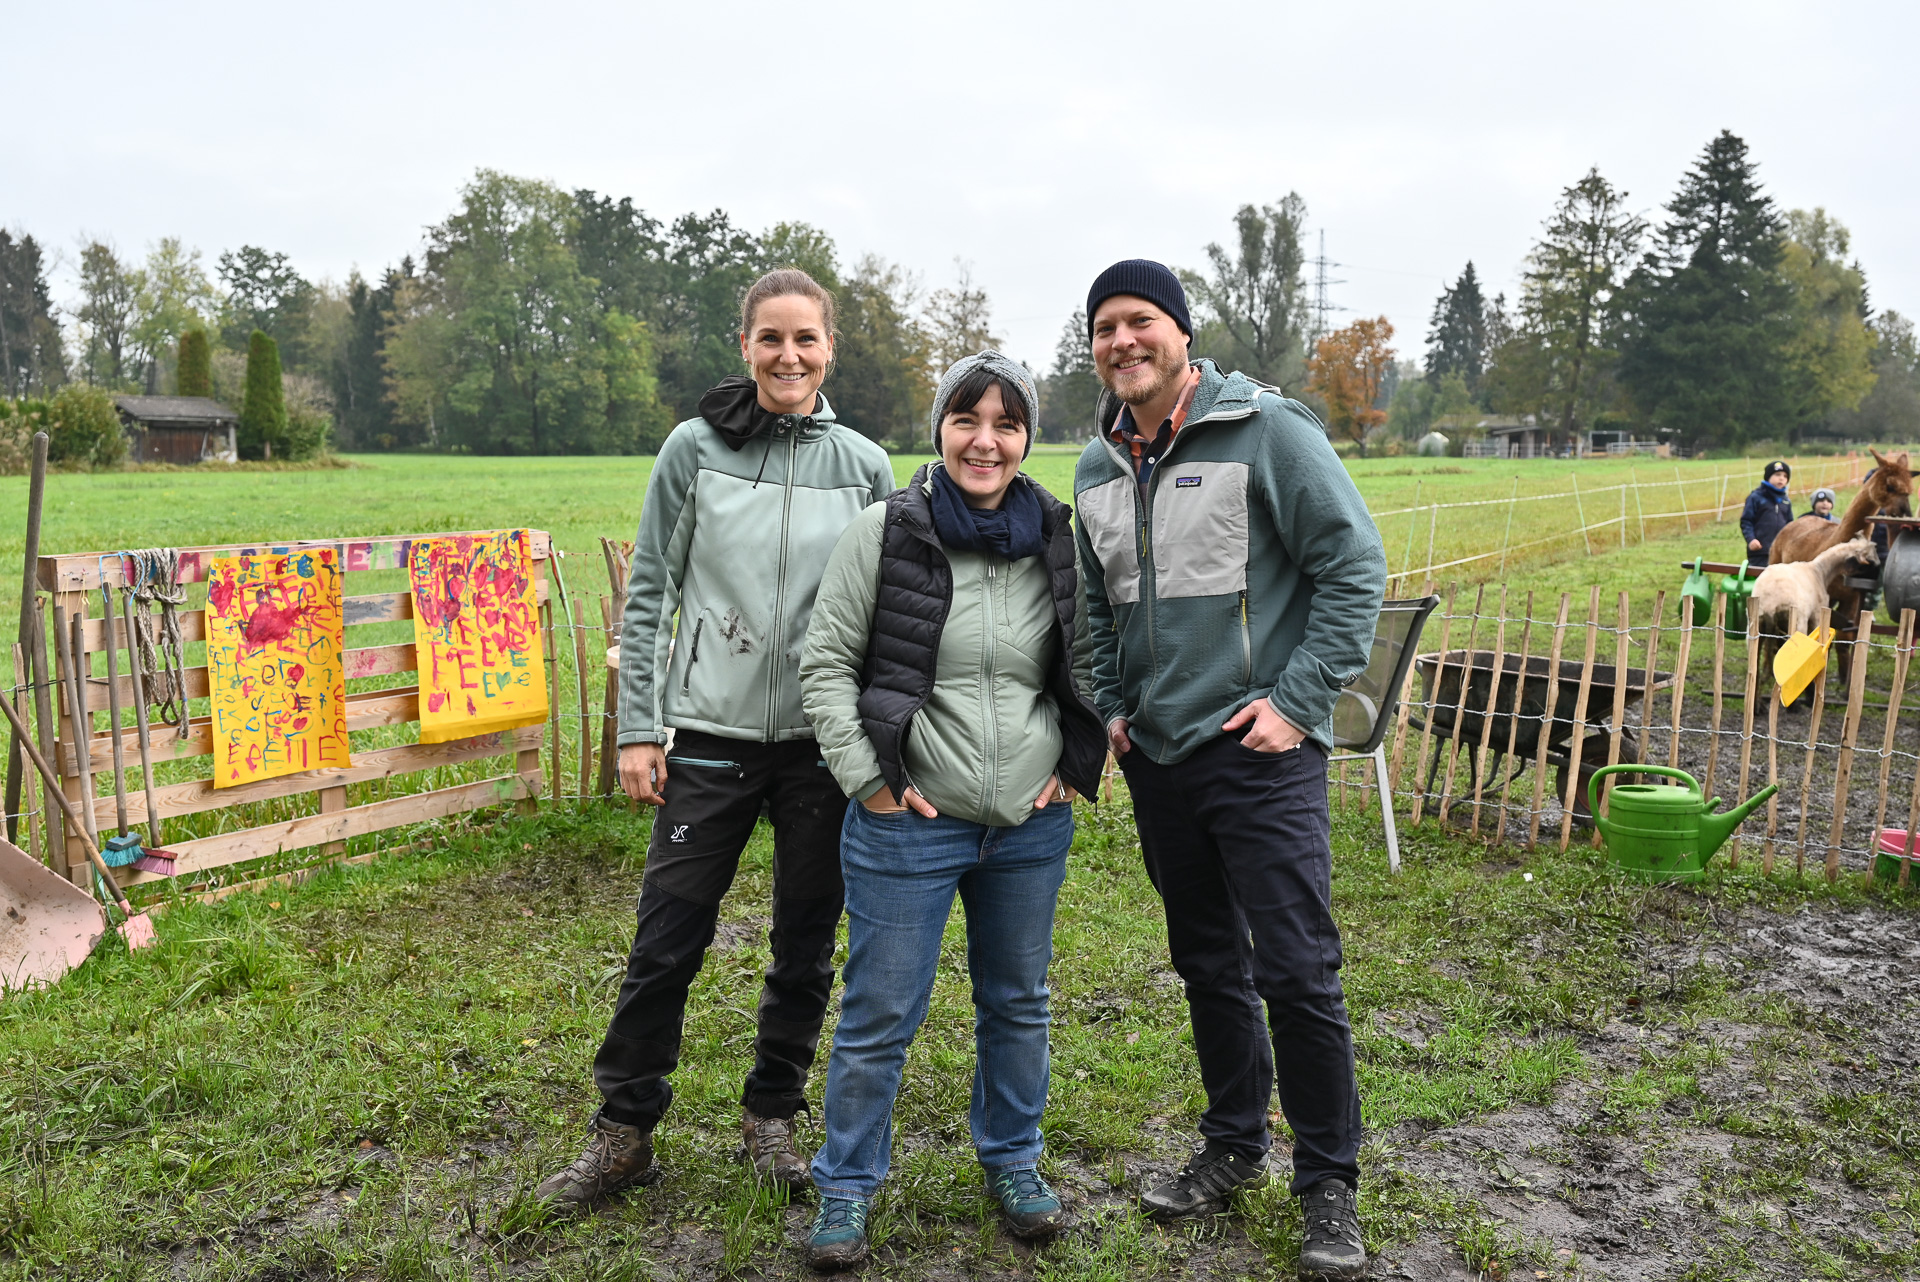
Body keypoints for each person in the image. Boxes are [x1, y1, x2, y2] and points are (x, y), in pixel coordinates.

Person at [535, 269, 896, 1210]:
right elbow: (650, 589)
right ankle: (624, 1132)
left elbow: (886, 612)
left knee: (805, 943)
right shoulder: (694, 448)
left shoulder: (864, 466)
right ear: (745, 345)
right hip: (707, 734)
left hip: (821, 746)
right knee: (667, 937)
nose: (788, 355)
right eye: (771, 338)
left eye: (806, 339)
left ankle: (771, 1116)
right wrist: (638, 729)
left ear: (830, 348)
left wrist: (878, 741)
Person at [1070, 261, 1385, 1282]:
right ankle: (1233, 1146)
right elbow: (1095, 608)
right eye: (1106, 327)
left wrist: (1297, 704)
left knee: (1295, 968)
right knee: (1207, 961)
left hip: (1258, 754)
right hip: (1160, 759)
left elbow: (1353, 567)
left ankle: (1328, 1184)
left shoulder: (1268, 431)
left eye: (1142, 321)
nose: (1124, 341)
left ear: (1181, 333)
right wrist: (1112, 706)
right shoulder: (1096, 467)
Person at [796, 351, 1106, 1269]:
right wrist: (871, 783)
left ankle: (1014, 1160)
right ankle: (847, 1184)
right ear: (940, 428)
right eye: (967, 419)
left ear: (1027, 437)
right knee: (881, 1010)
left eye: (1007, 423)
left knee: (1018, 1002)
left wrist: (1074, 762)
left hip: (1028, 827)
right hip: (909, 824)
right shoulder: (886, 532)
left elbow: (1094, 658)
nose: (985, 441)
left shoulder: (1058, 536)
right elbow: (827, 664)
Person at [1741, 460, 1794, 566]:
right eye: (1777, 474)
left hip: (1780, 551)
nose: (1781, 478)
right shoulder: (1756, 497)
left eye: (1785, 476)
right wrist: (1751, 539)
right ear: (1768, 477)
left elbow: (1790, 525)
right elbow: (1746, 521)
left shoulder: (1786, 501)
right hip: (1760, 551)